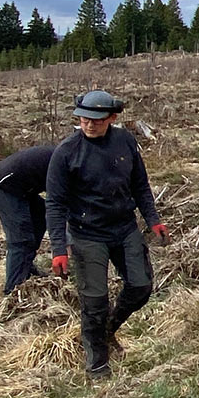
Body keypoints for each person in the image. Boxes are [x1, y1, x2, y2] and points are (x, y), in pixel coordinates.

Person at [46, 91, 167, 378]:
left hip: (124, 228)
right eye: (84, 119)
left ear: (112, 118)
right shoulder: (66, 152)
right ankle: (97, 364)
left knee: (141, 287)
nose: (89, 125)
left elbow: (140, 184)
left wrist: (153, 220)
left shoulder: (125, 142)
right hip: (87, 234)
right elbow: (55, 203)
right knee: (94, 301)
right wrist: (59, 248)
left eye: (97, 121)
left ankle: (108, 330)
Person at [0, 143, 56, 294]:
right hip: (2, 188)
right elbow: (58, 205)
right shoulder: (62, 162)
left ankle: (26, 268)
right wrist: (65, 244)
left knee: (39, 216)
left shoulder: (70, 157)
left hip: (21, 188)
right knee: (21, 239)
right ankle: (14, 289)